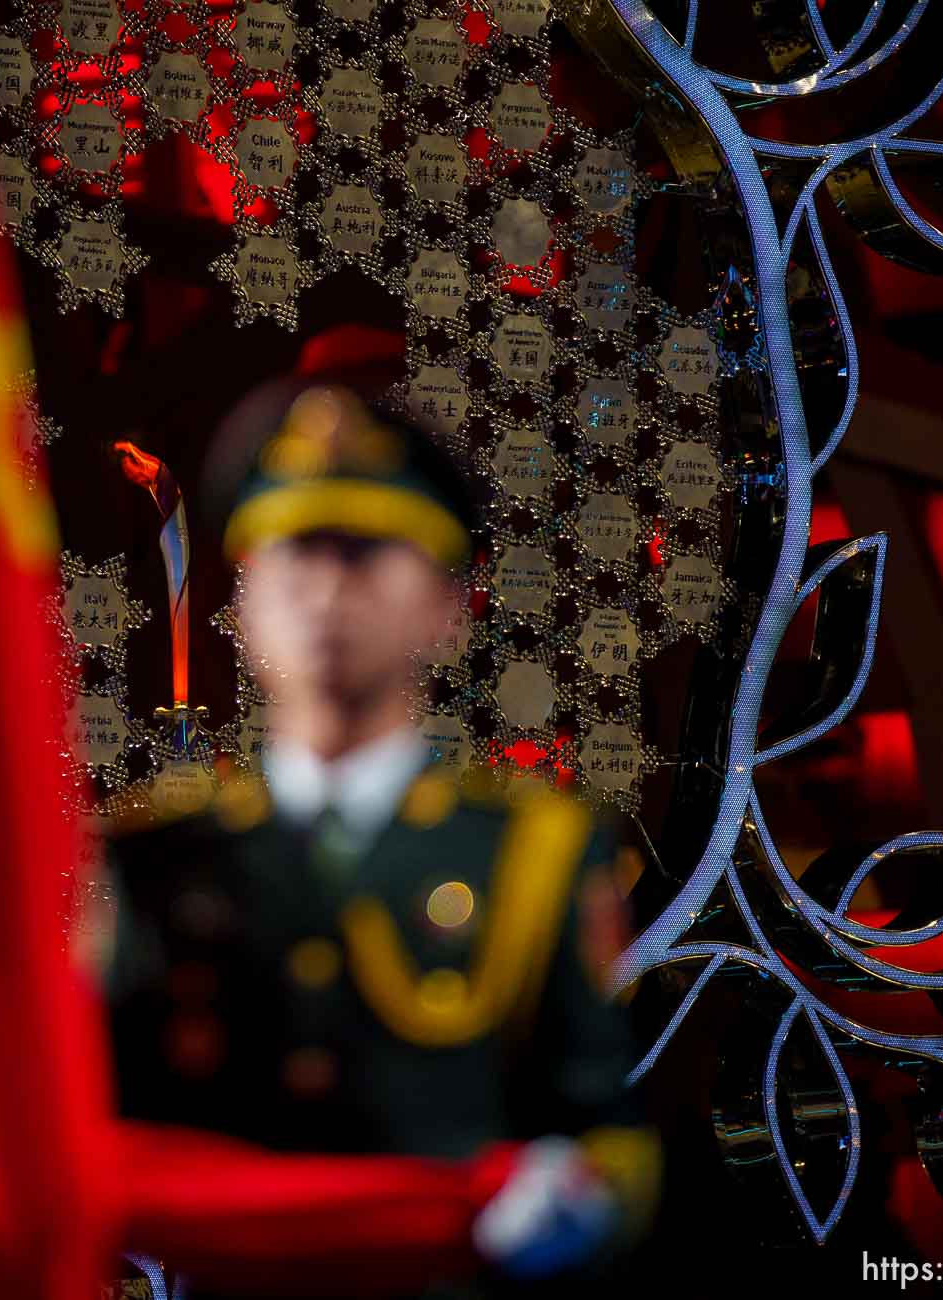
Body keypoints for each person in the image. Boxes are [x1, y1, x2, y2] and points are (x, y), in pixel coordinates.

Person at [99, 377, 661, 1297]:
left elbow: (610, 1132)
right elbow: (105, 1126)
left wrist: (574, 1204)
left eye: (363, 556)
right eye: (291, 558)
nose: (324, 591)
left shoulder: (536, 849)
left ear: (447, 609)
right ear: (239, 610)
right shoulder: (160, 856)